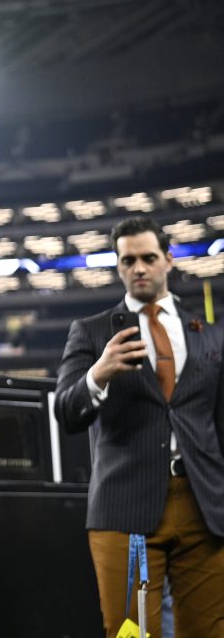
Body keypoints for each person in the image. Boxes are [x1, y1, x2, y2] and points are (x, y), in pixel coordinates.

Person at [54, 215, 224, 638]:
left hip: (204, 504)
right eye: (128, 260)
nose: (139, 268)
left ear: (168, 259)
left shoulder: (209, 334)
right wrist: (98, 374)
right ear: (118, 266)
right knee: (131, 633)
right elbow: (66, 411)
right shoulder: (92, 332)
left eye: (148, 257)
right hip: (124, 506)